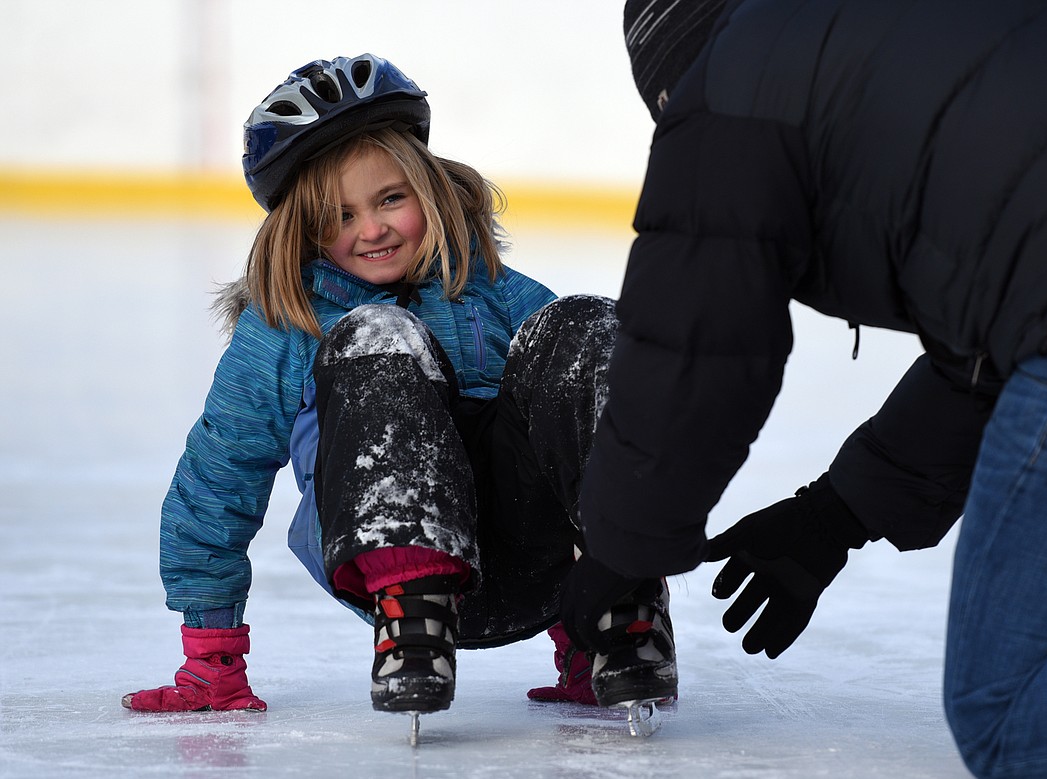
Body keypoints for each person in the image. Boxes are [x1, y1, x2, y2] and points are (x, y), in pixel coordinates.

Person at [562, 2, 1047, 777]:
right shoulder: (899, 51)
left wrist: (621, 548)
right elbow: (988, 335)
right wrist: (837, 514)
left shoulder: (732, 87)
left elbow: (697, 343)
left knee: (1020, 707)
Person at [121, 53, 677, 720]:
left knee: (581, 323)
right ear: (301, 228)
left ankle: (618, 618)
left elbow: (585, 407)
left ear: (430, 188)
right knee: (375, 335)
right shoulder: (285, 326)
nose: (371, 229)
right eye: (339, 215)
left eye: (390, 199)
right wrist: (212, 656)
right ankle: (413, 611)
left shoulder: (490, 290)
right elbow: (218, 477)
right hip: (384, 562)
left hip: (541, 566)